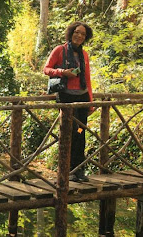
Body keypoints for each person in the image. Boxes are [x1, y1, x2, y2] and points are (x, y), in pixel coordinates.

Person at [43, 21, 94, 182]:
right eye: (77, 32)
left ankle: (79, 170)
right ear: (71, 33)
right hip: (66, 96)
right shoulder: (60, 50)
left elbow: (87, 78)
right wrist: (62, 72)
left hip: (82, 97)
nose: (79, 36)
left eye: (83, 34)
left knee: (80, 132)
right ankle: (67, 171)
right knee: (70, 131)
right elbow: (46, 69)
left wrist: (90, 101)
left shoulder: (84, 54)